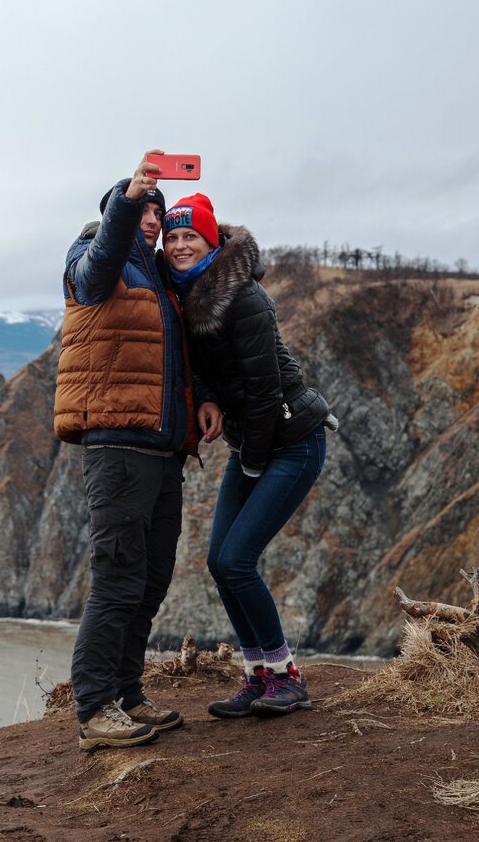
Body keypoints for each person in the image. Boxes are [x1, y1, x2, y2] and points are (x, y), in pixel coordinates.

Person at [54, 152, 220, 751]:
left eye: (157, 210)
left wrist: (201, 397)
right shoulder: (92, 255)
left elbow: (174, 356)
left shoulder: (153, 279)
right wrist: (127, 202)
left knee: (149, 581)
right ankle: (94, 709)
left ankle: (127, 694)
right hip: (118, 447)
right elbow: (97, 272)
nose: (152, 219)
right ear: (119, 209)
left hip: (161, 453)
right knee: (118, 581)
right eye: (143, 209)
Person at [161, 193, 334, 719]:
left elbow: (264, 390)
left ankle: (287, 677)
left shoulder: (245, 298)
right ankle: (258, 676)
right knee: (220, 561)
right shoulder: (185, 295)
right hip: (252, 442)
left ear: (213, 241)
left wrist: (254, 463)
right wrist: (208, 398)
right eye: (172, 237)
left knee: (237, 561)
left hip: (292, 441)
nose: (180, 244)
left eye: (191, 235)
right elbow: (200, 365)